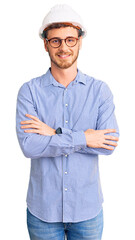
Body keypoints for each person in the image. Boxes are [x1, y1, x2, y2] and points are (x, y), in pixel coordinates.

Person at [16, 4, 119, 240]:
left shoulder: (100, 91)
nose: (64, 47)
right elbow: (29, 146)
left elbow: (109, 144)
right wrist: (86, 137)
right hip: (43, 211)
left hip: (88, 211)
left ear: (80, 41)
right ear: (45, 44)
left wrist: (54, 133)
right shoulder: (29, 92)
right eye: (56, 41)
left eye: (70, 39)